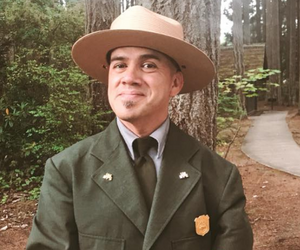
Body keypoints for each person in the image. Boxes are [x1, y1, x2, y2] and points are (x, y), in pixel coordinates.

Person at [26, 5, 253, 250]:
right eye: (119, 65)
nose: (129, 77)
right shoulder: (68, 171)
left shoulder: (218, 177)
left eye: (148, 65)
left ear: (175, 83)